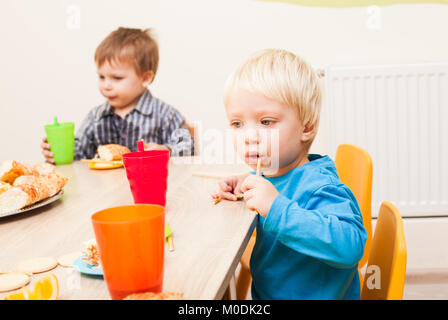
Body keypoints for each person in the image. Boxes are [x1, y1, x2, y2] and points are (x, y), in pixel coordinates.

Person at [212, 49, 367, 299]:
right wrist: (241, 182)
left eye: (266, 122)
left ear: (307, 126)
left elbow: (351, 247)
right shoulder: (275, 171)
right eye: (237, 124)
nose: (249, 137)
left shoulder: (320, 186)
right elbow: (278, 184)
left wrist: (275, 208)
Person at [41, 27, 194, 162]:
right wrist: (57, 151)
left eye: (117, 78)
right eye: (101, 77)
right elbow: (80, 153)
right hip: (106, 191)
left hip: (150, 188)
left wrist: (166, 151)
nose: (106, 85)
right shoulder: (96, 117)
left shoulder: (164, 114)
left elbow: (188, 146)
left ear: (145, 78)